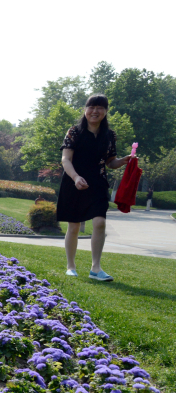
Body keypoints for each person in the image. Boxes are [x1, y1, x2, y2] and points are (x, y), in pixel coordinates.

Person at [57, 94, 133, 282]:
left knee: (100, 223)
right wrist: (75, 177)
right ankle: (71, 266)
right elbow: (65, 159)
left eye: (100, 107)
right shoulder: (74, 132)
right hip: (74, 182)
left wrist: (122, 161)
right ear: (85, 109)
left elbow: (110, 162)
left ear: (106, 111)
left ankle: (95, 268)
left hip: (98, 183)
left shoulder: (109, 135)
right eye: (92, 107)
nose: (95, 111)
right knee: (74, 226)